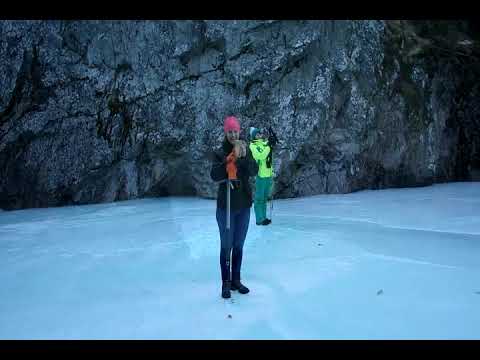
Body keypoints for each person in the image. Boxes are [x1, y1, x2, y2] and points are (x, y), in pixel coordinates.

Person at [210, 116, 259, 299]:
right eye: (229, 131)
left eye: (235, 131)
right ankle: (226, 283)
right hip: (226, 208)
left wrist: (244, 157)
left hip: (243, 206)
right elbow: (215, 175)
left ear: (239, 131)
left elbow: (253, 171)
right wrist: (231, 158)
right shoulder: (219, 152)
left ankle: (236, 280)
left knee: (238, 245)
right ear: (225, 132)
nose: (232, 134)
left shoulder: (246, 150)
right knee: (226, 245)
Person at [249, 126, 275, 226]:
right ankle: (259, 219)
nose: (259, 135)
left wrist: (270, 142)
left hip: (267, 174)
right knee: (259, 198)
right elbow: (261, 155)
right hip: (260, 175)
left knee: (264, 198)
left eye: (260, 133)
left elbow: (268, 150)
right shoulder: (253, 146)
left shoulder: (263, 143)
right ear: (253, 136)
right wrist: (269, 146)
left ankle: (263, 218)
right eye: (257, 134)